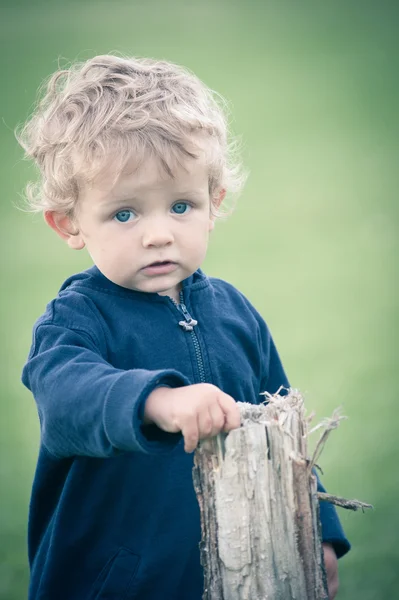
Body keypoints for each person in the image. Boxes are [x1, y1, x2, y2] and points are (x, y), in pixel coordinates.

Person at [18, 54, 349, 600]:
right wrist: (158, 402)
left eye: (180, 205)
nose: (157, 235)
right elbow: (65, 399)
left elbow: (281, 430)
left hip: (233, 575)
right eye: (125, 213)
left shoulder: (235, 312)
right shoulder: (75, 320)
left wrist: (317, 532)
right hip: (114, 582)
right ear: (70, 222)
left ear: (213, 204)